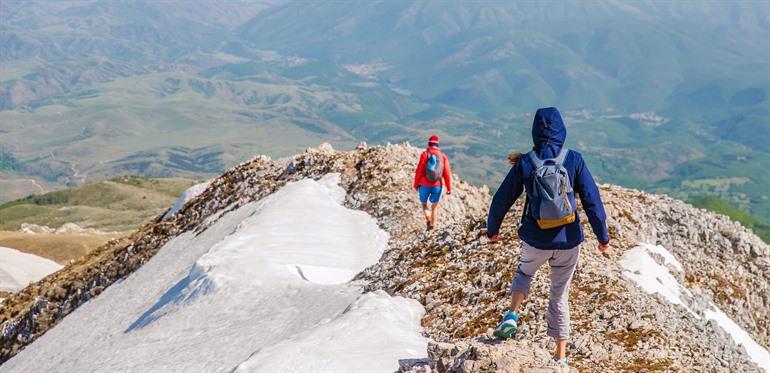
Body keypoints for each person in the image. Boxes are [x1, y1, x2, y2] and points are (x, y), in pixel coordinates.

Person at [486, 107, 610, 370]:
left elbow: (502, 199)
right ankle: (561, 355)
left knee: (525, 272)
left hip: (535, 238)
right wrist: (603, 237)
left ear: (535, 132)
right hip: (568, 241)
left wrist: (492, 229)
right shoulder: (574, 159)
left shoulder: (526, 162)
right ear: (562, 131)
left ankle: (512, 314)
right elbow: (592, 202)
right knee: (559, 295)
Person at [413, 135, 452, 230]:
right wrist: (449, 187)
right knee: (434, 207)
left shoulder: (424, 154)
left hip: (424, 184)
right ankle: (433, 226)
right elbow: (447, 173)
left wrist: (416, 184)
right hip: (437, 185)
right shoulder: (443, 157)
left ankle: (428, 219)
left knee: (424, 204)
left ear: (429, 144)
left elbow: (419, 171)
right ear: (437, 145)